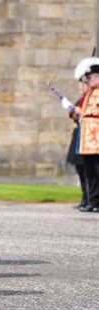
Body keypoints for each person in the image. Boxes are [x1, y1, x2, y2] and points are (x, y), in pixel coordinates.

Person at [73, 57, 99, 212]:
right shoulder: (89, 94)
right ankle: (93, 200)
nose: (88, 81)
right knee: (90, 172)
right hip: (87, 140)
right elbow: (84, 112)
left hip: (96, 138)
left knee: (97, 170)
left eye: (91, 78)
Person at [66, 75, 90, 210]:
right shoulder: (81, 101)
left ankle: (90, 198)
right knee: (80, 170)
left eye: (83, 85)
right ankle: (85, 197)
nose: (81, 88)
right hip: (78, 136)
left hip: (87, 137)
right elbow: (74, 116)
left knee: (88, 171)